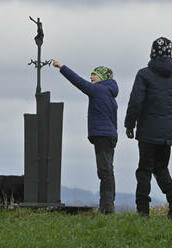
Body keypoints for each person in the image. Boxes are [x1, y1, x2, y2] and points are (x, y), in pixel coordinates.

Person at [125, 37, 172, 218]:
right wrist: (171, 124)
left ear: (152, 52)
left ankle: (143, 211)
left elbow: (136, 101)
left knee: (144, 169)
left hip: (147, 131)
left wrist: (130, 124)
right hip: (167, 131)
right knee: (161, 167)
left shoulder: (144, 74)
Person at [52, 60, 118, 214]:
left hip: (101, 136)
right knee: (108, 170)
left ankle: (107, 208)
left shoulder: (98, 90)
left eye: (95, 75)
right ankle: (108, 205)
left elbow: (78, 81)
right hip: (110, 136)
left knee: (104, 171)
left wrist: (62, 67)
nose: (91, 77)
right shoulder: (110, 94)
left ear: (103, 77)